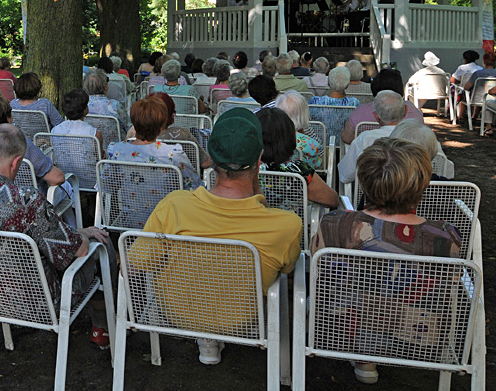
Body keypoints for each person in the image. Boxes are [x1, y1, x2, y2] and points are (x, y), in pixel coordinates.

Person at [131, 108, 301, 365]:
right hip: (245, 320)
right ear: (258, 162)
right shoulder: (286, 225)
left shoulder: (174, 206)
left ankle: (206, 340)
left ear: (211, 158)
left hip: (177, 315)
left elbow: (136, 265)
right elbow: (287, 269)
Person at [0, 124, 114, 348]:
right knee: (102, 244)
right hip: (35, 303)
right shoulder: (26, 200)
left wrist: (77, 233)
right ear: (16, 164)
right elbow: (77, 251)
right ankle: (105, 328)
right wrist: (86, 235)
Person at [312, 137, 461, 385]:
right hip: (420, 343)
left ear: (365, 178)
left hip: (339, 334)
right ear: (422, 183)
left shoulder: (334, 224)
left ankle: (364, 358)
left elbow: (319, 278)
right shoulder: (446, 236)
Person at [106, 97, 200, 190]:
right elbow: (194, 187)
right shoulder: (173, 154)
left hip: (127, 205)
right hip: (167, 205)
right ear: (161, 128)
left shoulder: (116, 150)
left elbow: (106, 185)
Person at [256, 107, 339, 208]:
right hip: (293, 222)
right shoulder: (299, 169)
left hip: (252, 222)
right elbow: (332, 200)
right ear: (289, 136)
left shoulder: (246, 170)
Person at [338, 90, 407, 185]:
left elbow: (345, 175)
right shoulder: (421, 137)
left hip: (371, 195)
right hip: (412, 196)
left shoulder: (365, 139)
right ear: (405, 110)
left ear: (376, 116)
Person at [340, 68, 423, 145]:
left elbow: (347, 138)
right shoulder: (414, 111)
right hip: (407, 156)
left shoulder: (360, 111)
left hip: (368, 156)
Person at [275, 91, 325, 174]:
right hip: (304, 180)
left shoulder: (269, 134)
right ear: (303, 114)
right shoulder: (308, 139)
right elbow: (320, 155)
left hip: (275, 180)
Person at [308, 66, 359, 139]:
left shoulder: (315, 101)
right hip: (344, 146)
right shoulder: (354, 103)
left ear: (328, 82)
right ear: (347, 85)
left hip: (319, 145)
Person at [83, 68, 129, 134]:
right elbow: (129, 126)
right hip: (114, 143)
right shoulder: (115, 106)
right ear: (105, 87)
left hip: (90, 143)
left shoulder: (82, 106)